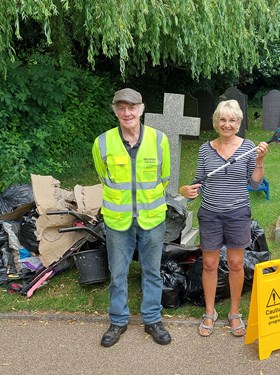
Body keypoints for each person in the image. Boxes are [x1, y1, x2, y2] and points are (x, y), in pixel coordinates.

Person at [179, 99, 268, 337]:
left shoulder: (248, 147)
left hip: (238, 214)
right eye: (222, 119)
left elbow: (255, 184)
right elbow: (198, 180)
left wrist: (259, 161)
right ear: (216, 122)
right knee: (209, 264)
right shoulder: (205, 149)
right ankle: (210, 312)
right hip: (210, 214)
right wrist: (184, 191)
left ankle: (235, 312)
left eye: (232, 120)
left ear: (238, 123)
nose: (227, 124)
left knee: (237, 264)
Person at [92, 88, 172, 347]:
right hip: (118, 221)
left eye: (132, 107)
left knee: (152, 271)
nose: (127, 112)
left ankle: (152, 319)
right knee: (118, 273)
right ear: (115, 110)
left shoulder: (160, 140)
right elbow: (104, 178)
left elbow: (164, 177)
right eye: (121, 107)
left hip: (152, 219)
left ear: (141, 108)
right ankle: (117, 321)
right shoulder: (102, 143)